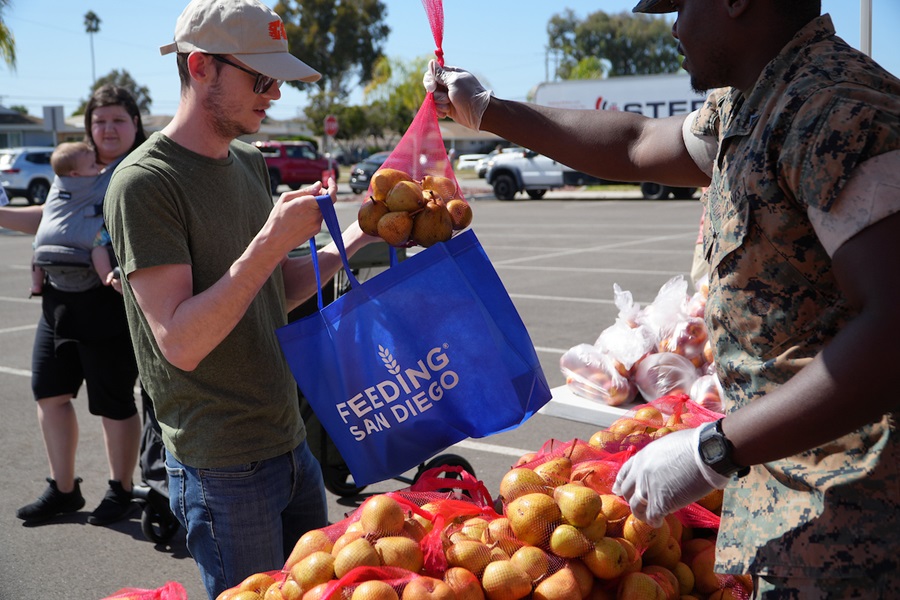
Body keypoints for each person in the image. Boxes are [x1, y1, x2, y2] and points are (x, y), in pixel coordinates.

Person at [425, 0, 899, 597]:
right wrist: (489, 110)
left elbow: (893, 327)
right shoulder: (755, 98)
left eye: (678, 4)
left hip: (861, 529)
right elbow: (636, 142)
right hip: (795, 506)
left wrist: (716, 448)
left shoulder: (836, 109)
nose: (672, 24)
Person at [103, 0, 377, 597]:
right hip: (223, 465)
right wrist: (271, 240)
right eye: (261, 78)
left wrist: (362, 232)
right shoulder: (145, 184)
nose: (274, 95)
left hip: (289, 442)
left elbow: (270, 293)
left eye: (277, 79)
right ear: (200, 67)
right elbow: (180, 341)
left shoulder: (250, 163)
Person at [5, 85, 149, 527]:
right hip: (57, 303)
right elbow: (47, 219)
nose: (107, 128)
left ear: (135, 125)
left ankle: (121, 488)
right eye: (99, 120)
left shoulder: (140, 171)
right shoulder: (70, 169)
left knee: (113, 402)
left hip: (107, 303)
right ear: (88, 127)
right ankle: (63, 490)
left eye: (118, 120)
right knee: (49, 394)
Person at [30, 142, 116, 297]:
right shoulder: (91, 184)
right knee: (99, 245)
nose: (97, 169)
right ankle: (105, 276)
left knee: (36, 250)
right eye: (92, 166)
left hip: (45, 236)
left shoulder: (56, 185)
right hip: (80, 237)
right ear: (75, 174)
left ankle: (36, 284)